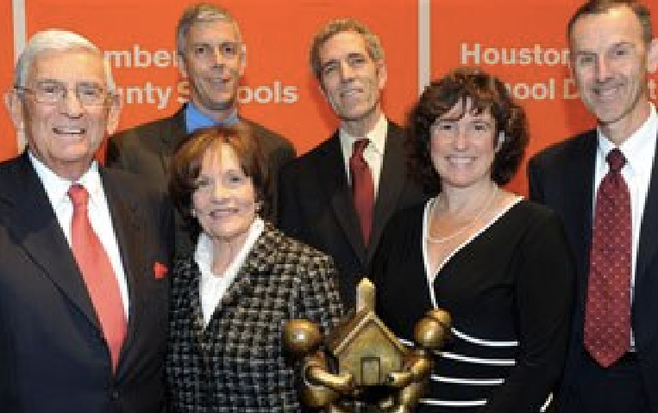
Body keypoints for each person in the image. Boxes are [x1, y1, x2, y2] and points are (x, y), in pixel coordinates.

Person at [370, 67, 575, 413]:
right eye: (446, 126)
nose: (460, 143)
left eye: (478, 127)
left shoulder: (536, 229)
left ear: (499, 141)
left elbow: (541, 363)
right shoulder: (401, 226)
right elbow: (374, 335)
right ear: (427, 139)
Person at [0, 29, 174, 412]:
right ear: (16, 107)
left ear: (112, 112)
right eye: (50, 90)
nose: (73, 108)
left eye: (89, 92)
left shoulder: (148, 201)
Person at [528, 1, 658, 412]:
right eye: (586, 59)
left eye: (619, 52)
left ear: (652, 56)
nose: (602, 74)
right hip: (575, 391)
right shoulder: (549, 171)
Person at [167, 125, 343, 412]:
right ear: (189, 202)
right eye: (202, 184)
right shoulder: (179, 278)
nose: (219, 196)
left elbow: (330, 395)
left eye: (234, 180)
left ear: (258, 193)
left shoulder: (305, 271)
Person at [107, 2, 295, 254]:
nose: (218, 62)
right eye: (202, 51)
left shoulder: (277, 152)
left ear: (242, 61)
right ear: (182, 65)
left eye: (228, 50)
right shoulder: (130, 150)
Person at [277, 18, 429, 309]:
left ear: (381, 73)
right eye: (331, 69)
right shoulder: (297, 178)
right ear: (322, 90)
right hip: (329, 347)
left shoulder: (426, 158)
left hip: (415, 344)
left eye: (356, 61)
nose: (346, 76)